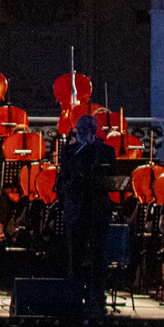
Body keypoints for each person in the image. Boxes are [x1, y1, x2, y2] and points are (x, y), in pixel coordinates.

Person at [58, 114, 119, 292]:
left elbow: (112, 179)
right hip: (76, 209)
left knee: (98, 255)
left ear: (94, 131)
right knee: (75, 255)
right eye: (79, 130)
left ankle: (97, 295)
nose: (81, 134)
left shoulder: (105, 151)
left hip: (97, 210)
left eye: (85, 130)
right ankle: (74, 294)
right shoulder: (70, 151)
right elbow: (63, 178)